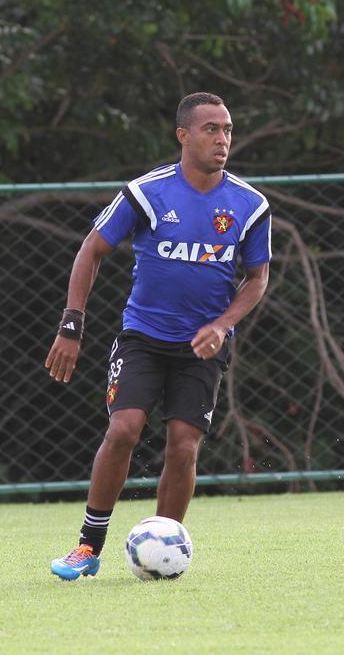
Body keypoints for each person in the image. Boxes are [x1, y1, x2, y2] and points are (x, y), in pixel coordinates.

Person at [45, 92, 272, 580]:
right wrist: (72, 323)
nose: (222, 138)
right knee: (124, 429)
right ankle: (88, 546)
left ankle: (163, 548)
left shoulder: (249, 205)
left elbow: (256, 279)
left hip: (201, 347)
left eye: (228, 129)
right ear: (183, 135)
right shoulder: (147, 193)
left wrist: (221, 324)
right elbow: (91, 249)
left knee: (184, 444)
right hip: (143, 337)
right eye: (211, 128)